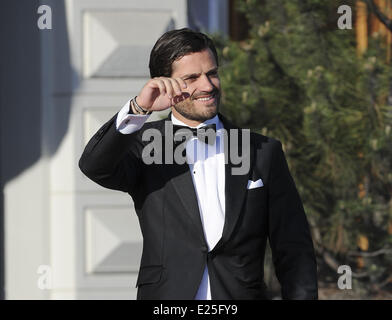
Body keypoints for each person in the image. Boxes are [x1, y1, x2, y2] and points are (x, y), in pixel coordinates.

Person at [79, 28, 318, 300]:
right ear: (164, 83)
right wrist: (139, 109)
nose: (207, 86)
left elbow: (294, 250)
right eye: (192, 78)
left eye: (212, 73)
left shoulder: (263, 151)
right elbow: (94, 166)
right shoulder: (145, 144)